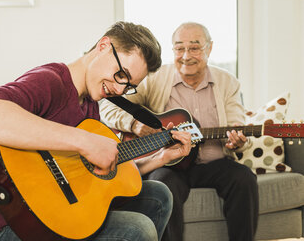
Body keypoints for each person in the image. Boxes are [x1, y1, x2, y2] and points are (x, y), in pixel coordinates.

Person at [0, 21, 193, 241]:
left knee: (158, 196)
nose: (119, 89)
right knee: (138, 229)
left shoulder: (90, 104)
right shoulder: (51, 81)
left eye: (129, 85)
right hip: (14, 225)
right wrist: (85, 141)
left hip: (58, 214)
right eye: (121, 74)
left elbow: (107, 178)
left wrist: (162, 157)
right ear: (103, 46)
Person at [99, 22, 259, 241]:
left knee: (244, 178)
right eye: (179, 48)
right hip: (169, 164)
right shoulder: (154, 78)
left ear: (209, 49)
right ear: (172, 50)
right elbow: (107, 105)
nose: (186, 56)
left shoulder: (227, 81)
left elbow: (236, 124)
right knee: (161, 184)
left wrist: (238, 142)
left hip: (213, 165)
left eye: (194, 48)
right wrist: (134, 125)